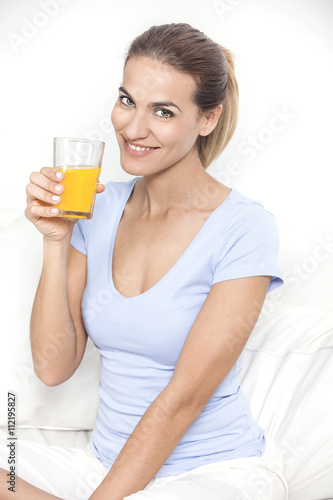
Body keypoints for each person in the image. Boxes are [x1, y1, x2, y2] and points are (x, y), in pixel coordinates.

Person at [0, 23, 288, 500]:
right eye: (128, 101)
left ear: (208, 118)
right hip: (104, 466)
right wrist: (56, 240)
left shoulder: (244, 227)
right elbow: (53, 368)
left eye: (164, 112)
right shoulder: (97, 207)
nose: (133, 129)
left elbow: (183, 401)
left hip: (211, 473)